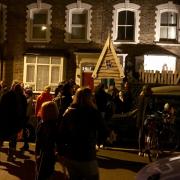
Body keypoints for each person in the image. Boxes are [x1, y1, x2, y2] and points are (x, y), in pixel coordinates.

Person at [56, 87, 109, 180]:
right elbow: (104, 130)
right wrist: (99, 142)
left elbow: (61, 134)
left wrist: (61, 152)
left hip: (71, 154)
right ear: (89, 98)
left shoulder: (68, 112)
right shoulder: (93, 112)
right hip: (87, 154)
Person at [0, 80, 27, 161]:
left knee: (1, 137)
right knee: (13, 139)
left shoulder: (6, 95)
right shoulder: (22, 97)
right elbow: (24, 110)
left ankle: (9, 156)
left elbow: (1, 108)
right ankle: (10, 156)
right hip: (15, 122)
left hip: (5, 120)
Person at [35, 101, 58, 180]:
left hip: (44, 152)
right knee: (49, 172)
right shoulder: (56, 124)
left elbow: (38, 141)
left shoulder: (42, 124)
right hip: (51, 153)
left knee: (41, 173)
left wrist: (37, 153)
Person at [136, 85, 155, 156]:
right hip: (146, 119)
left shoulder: (140, 97)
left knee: (141, 135)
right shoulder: (148, 98)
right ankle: (147, 151)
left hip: (140, 119)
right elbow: (151, 108)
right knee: (148, 136)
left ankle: (140, 150)